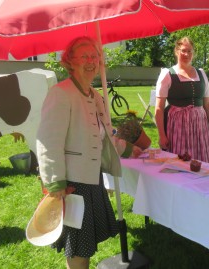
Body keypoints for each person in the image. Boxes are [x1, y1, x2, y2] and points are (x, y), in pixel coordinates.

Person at [36, 36, 142, 269]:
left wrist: (130, 149)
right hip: (72, 184)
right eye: (84, 56)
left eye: (95, 56)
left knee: (87, 244)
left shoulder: (95, 96)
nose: (91, 61)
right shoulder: (60, 93)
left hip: (93, 180)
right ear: (70, 61)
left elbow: (104, 137)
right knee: (78, 248)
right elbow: (48, 141)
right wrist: (55, 183)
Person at [155, 36, 209, 163]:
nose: (186, 54)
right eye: (183, 50)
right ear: (176, 51)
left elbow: (208, 104)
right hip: (178, 125)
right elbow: (159, 108)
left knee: (202, 159)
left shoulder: (201, 73)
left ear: (193, 53)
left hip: (200, 125)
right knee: (181, 160)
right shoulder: (167, 74)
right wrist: (162, 135)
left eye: (190, 51)